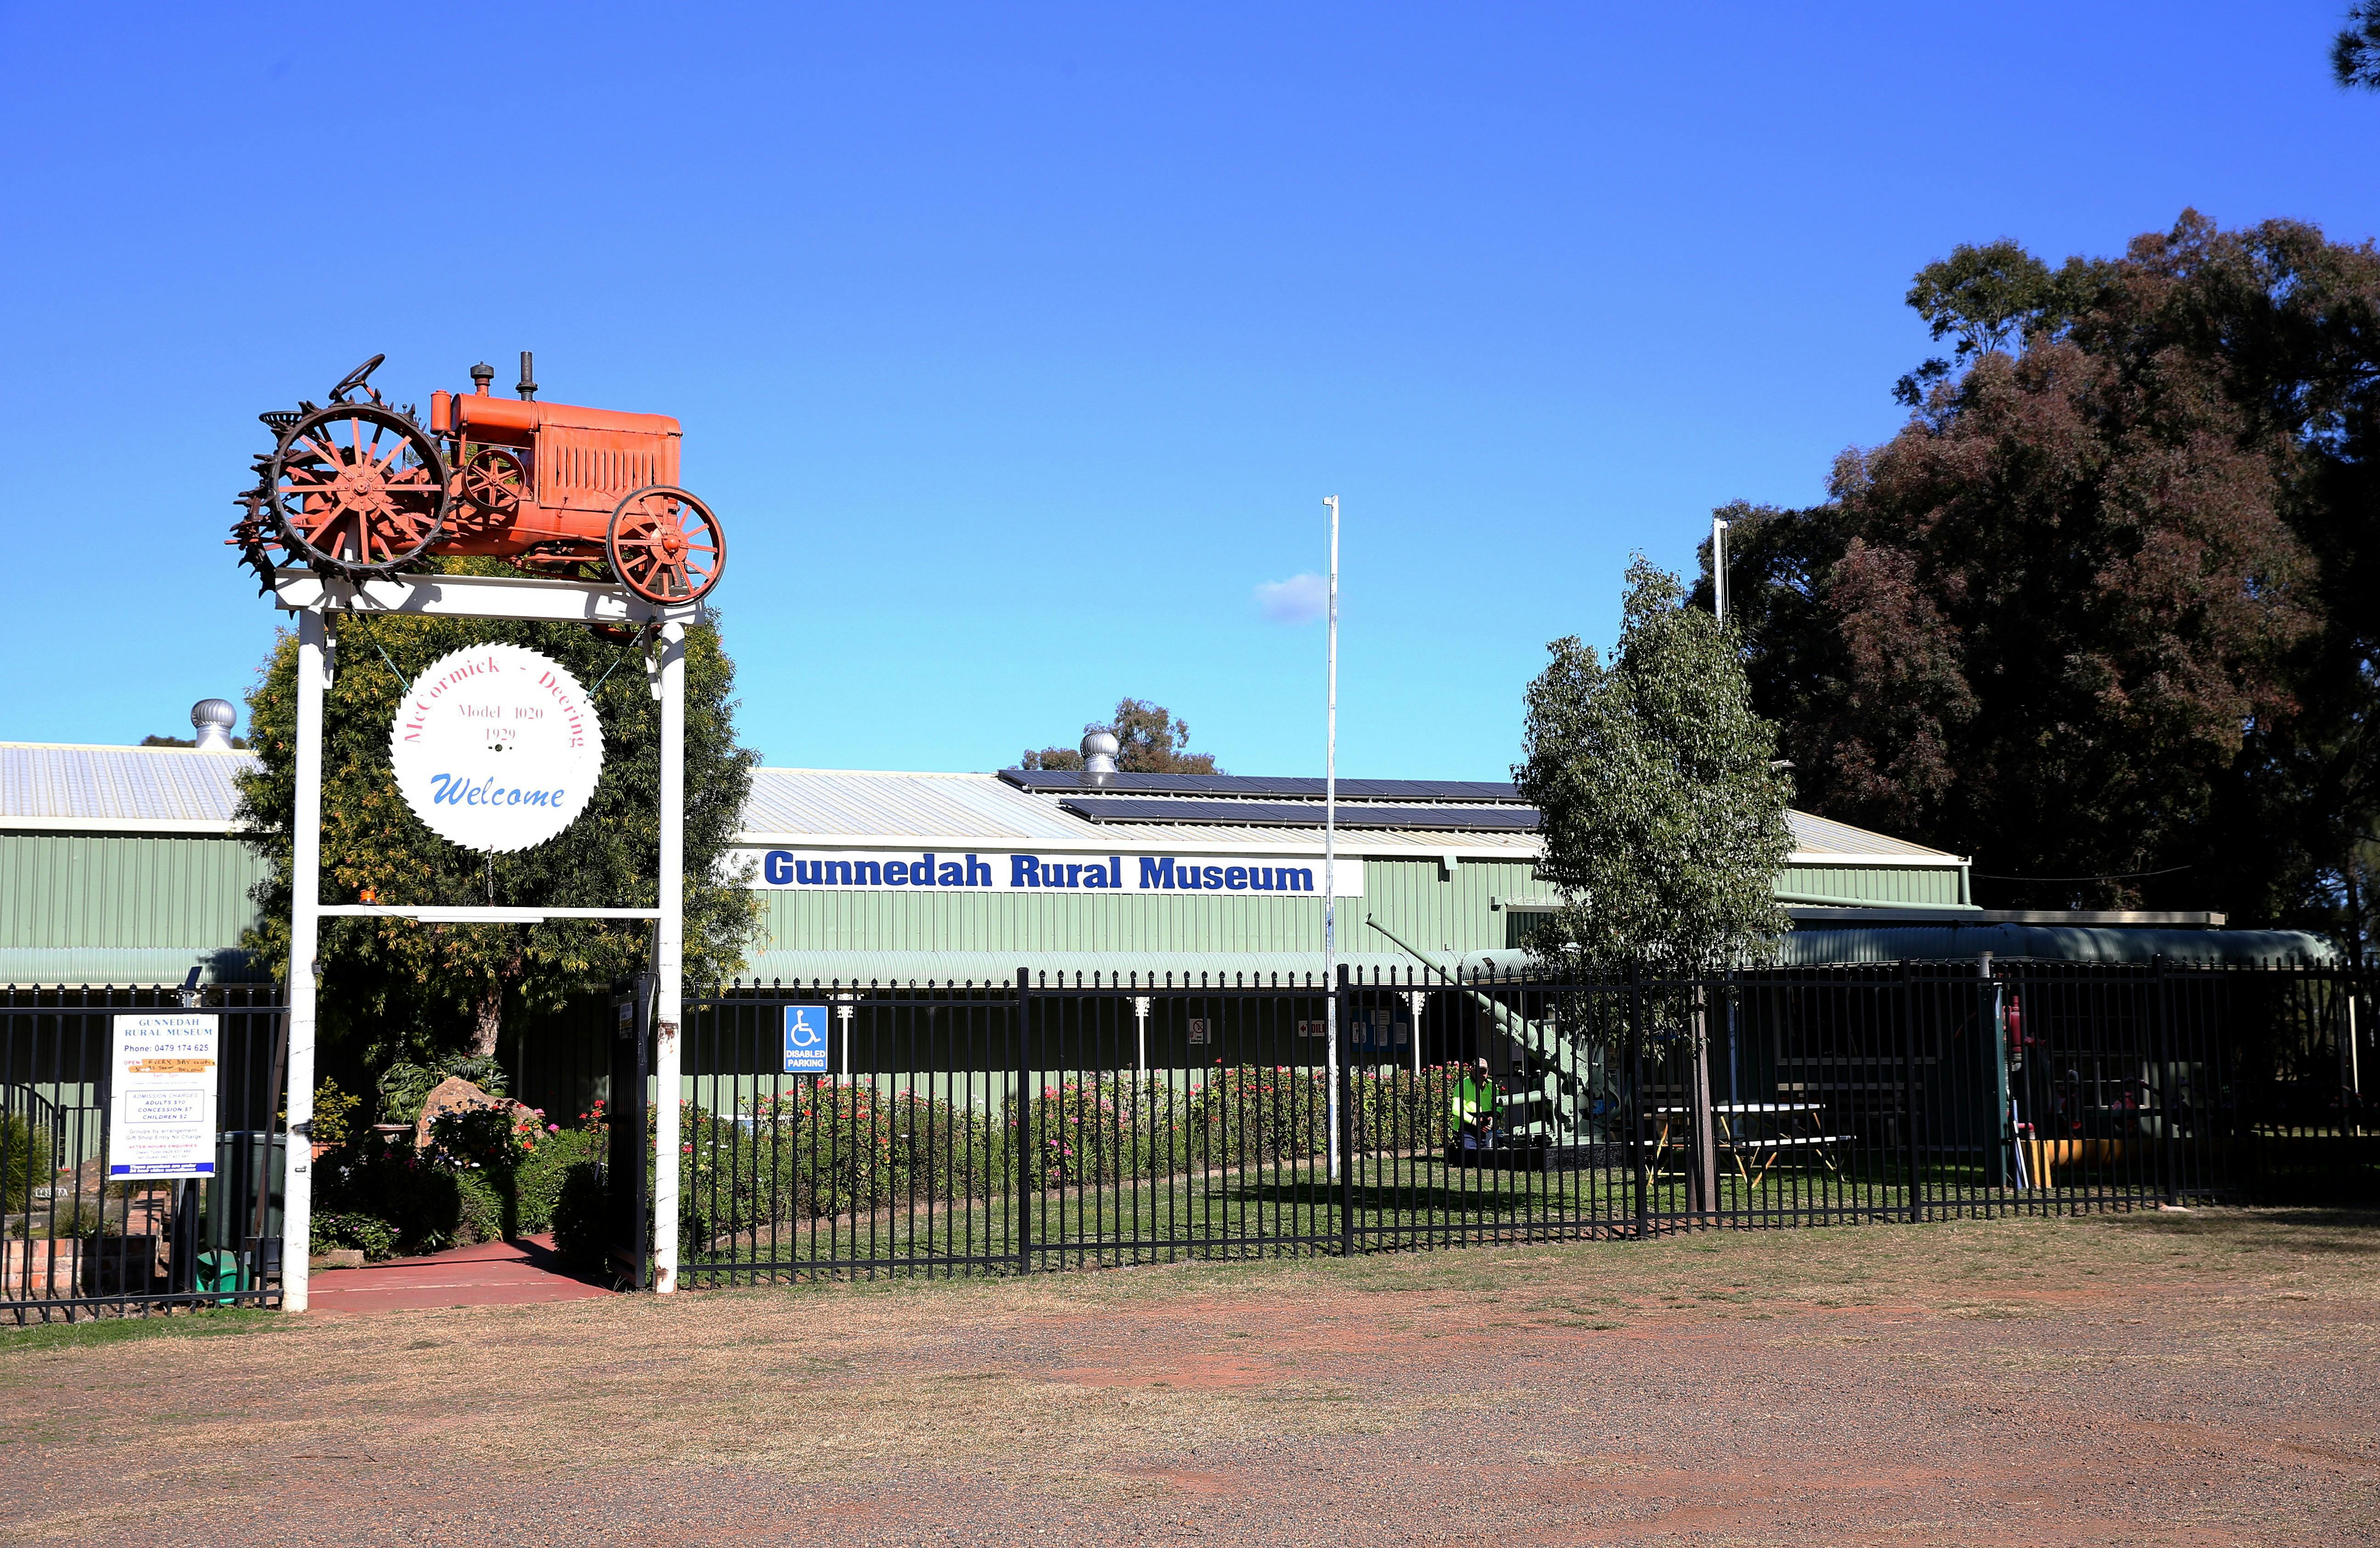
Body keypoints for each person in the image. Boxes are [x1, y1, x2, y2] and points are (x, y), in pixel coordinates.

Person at [1451, 1057, 1499, 1147]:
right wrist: (1475, 1122)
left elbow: (1499, 1106)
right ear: (1471, 1069)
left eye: (1484, 1071)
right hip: (1466, 1130)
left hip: (1486, 1130)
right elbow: (1456, 1109)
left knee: (1491, 1156)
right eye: (1479, 1071)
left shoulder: (1493, 1086)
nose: (1481, 1074)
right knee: (1471, 1155)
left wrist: (1493, 1117)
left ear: (1488, 1072)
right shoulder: (1463, 1085)